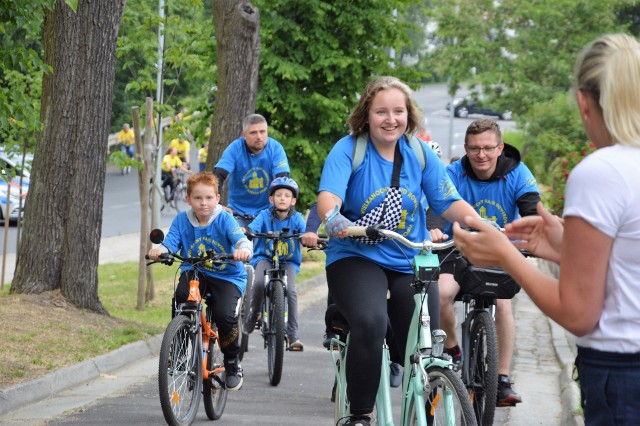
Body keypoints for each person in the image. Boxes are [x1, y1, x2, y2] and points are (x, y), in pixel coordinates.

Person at [453, 33, 640, 425]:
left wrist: (505, 253)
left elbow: (578, 314)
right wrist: (563, 247)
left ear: (584, 102)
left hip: (622, 372)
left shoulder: (601, 171)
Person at [317, 76, 478, 426]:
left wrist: (479, 225)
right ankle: (360, 414)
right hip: (356, 255)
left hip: (410, 257)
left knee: (425, 346)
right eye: (381, 112)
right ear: (366, 115)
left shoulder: (418, 152)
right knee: (371, 323)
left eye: (398, 111)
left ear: (409, 115)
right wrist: (333, 218)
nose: (390, 119)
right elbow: (329, 196)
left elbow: (448, 202)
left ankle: (426, 408)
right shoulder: (349, 149)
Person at [438, 118, 540, 406]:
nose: (480, 155)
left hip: (500, 250)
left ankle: (502, 380)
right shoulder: (453, 172)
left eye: (487, 148)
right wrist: (433, 228)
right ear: (466, 149)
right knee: (442, 294)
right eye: (474, 149)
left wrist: (531, 236)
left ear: (500, 148)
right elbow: (437, 203)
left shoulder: (518, 173)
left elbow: (531, 207)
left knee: (503, 302)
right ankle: (452, 348)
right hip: (456, 248)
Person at [147, 172, 253, 391]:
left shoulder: (224, 218)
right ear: (188, 199)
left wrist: (243, 250)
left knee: (225, 316)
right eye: (197, 198)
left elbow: (241, 239)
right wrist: (159, 251)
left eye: (208, 198)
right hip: (196, 270)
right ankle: (178, 349)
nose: (203, 203)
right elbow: (171, 243)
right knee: (181, 296)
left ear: (217, 199)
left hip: (228, 276)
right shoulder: (182, 220)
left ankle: (232, 364)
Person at [244, 177, 306, 351]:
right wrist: (247, 231)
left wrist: (308, 237)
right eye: (278, 195)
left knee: (291, 290)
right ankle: (254, 314)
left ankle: (293, 335)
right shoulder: (264, 215)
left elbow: (305, 232)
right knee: (257, 283)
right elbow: (253, 227)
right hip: (265, 258)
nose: (282, 198)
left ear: (293, 200)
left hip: (289, 262)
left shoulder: (297, 218)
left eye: (287, 195)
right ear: (271, 199)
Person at [213, 114, 290, 227]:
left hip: (267, 213)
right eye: (253, 132)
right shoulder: (235, 148)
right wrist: (217, 206)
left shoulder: (275, 149)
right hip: (237, 213)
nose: (259, 136)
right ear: (244, 135)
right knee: (237, 242)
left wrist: (281, 209)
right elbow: (218, 176)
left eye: (262, 132)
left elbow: (283, 180)